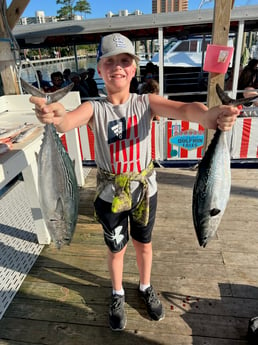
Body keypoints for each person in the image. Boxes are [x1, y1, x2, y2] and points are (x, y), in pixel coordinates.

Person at [30, 33, 239, 332]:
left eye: (125, 61)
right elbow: (66, 121)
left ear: (134, 68)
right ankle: (117, 293)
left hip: (145, 192)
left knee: (144, 244)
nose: (118, 67)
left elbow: (185, 110)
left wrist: (210, 117)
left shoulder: (146, 102)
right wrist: (55, 114)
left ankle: (145, 286)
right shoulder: (94, 108)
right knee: (116, 249)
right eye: (110, 61)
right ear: (100, 69)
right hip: (108, 194)